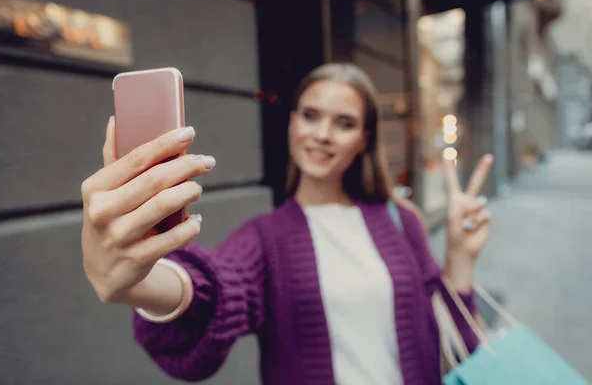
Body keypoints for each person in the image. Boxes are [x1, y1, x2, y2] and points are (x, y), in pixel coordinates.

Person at [81, 63, 494, 385]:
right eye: (311, 116)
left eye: (345, 123)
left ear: (364, 139)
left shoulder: (402, 221)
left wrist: (460, 256)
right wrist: (137, 283)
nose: (323, 134)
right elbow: (220, 287)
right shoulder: (266, 238)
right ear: (293, 123)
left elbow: (455, 341)